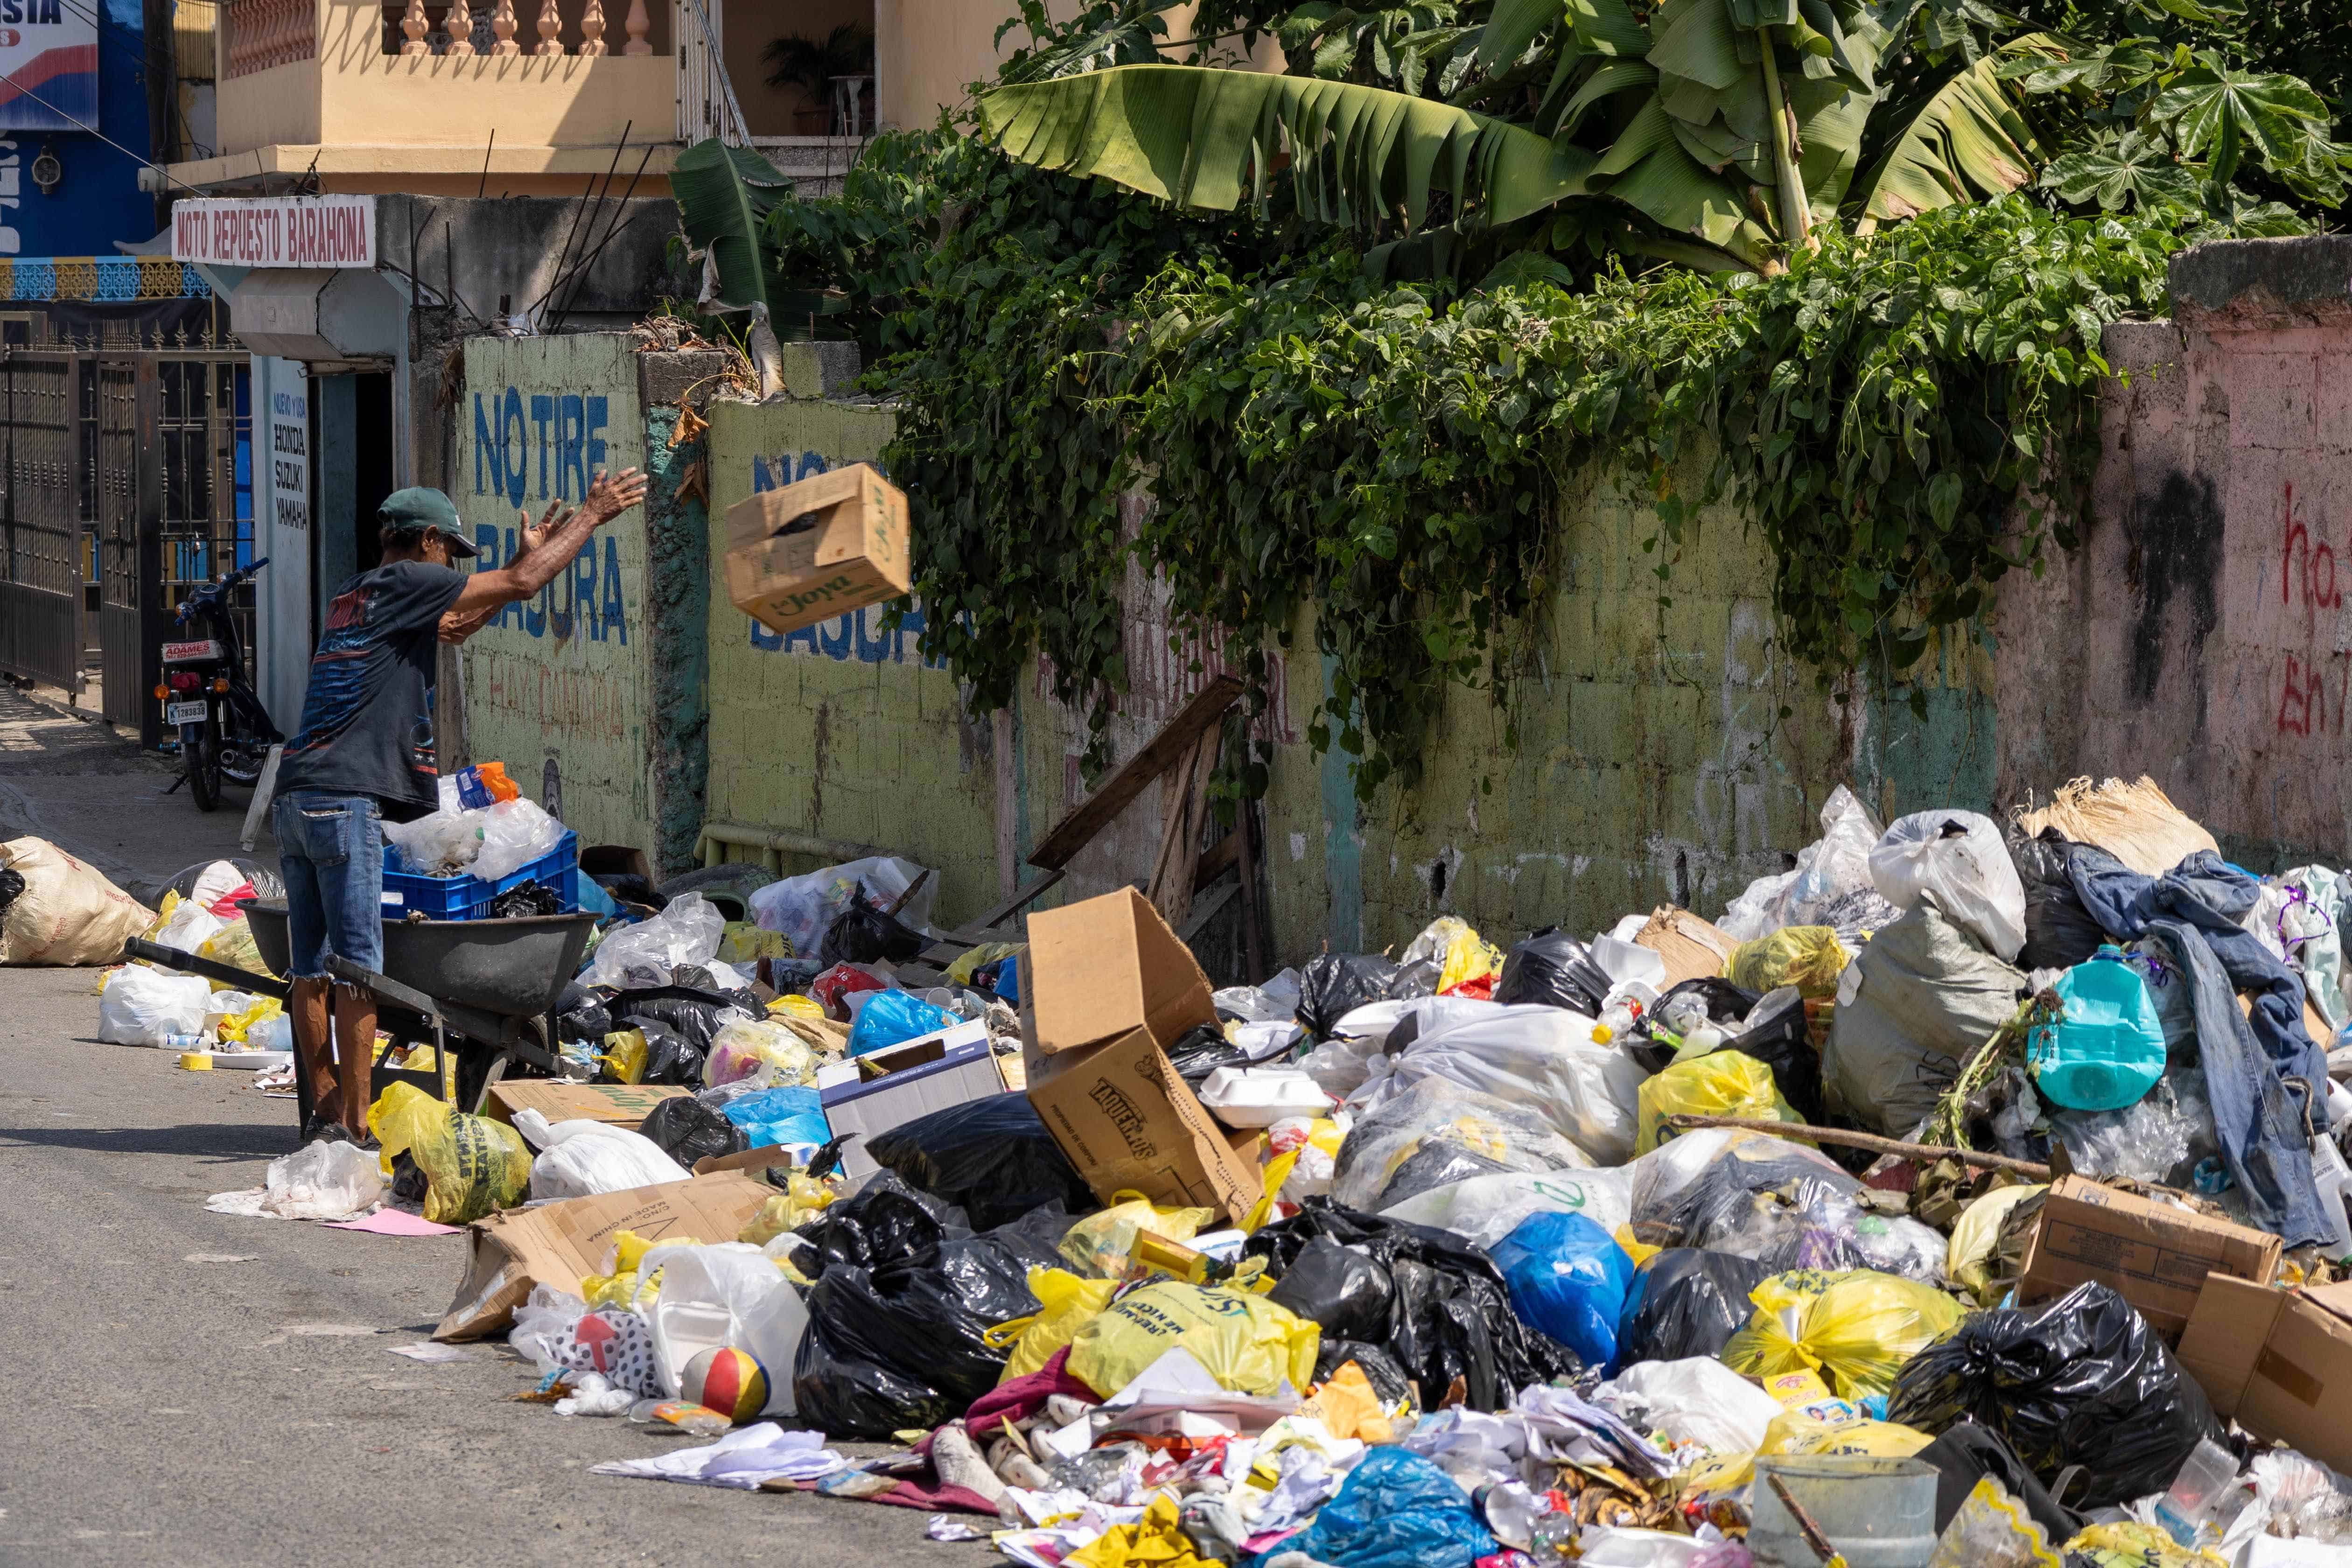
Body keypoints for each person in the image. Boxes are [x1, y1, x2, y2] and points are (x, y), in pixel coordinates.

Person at [273, 471, 648, 1145]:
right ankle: (355, 1130)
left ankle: (325, 1102)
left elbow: (457, 625)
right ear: (425, 542)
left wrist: (509, 567)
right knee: (359, 968)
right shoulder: (408, 580)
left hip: (297, 795)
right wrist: (590, 515)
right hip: (344, 801)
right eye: (450, 552)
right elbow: (524, 586)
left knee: (310, 966)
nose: (450, 566)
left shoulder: (357, 594)